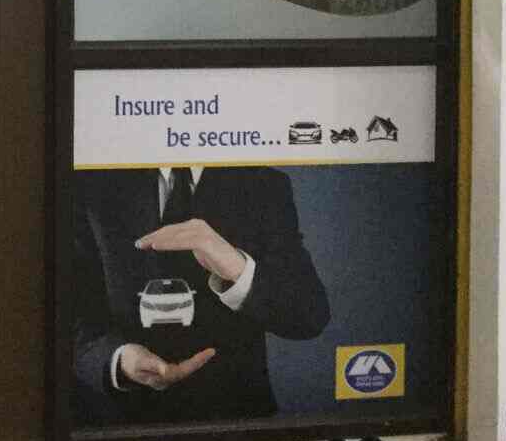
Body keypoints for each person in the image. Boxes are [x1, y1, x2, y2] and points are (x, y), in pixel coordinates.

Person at [73, 165, 329, 425]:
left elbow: (309, 315)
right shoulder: (88, 183)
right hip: (117, 422)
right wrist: (117, 360)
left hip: (235, 417)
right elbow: (67, 315)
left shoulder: (265, 184)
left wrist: (238, 267)